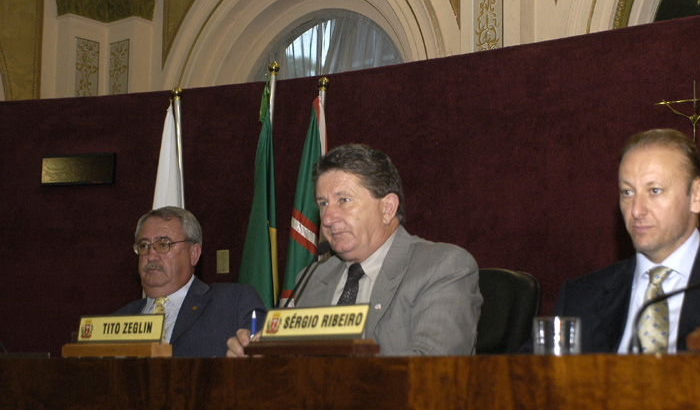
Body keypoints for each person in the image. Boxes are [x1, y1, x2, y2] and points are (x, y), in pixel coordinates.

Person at [533, 128, 700, 354]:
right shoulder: (581, 297)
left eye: (654, 191)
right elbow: (524, 379)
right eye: (627, 192)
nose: (636, 210)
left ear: (696, 195)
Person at [228, 144, 482, 357]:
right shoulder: (311, 279)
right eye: (323, 203)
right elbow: (292, 364)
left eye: (344, 200)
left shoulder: (443, 267)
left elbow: (430, 370)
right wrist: (262, 357)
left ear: (387, 208)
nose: (327, 218)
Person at [116, 206, 266, 357]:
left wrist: (254, 357)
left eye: (163, 244)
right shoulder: (117, 321)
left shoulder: (233, 302)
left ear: (194, 254)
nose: (151, 256)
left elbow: (269, 360)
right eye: (144, 246)